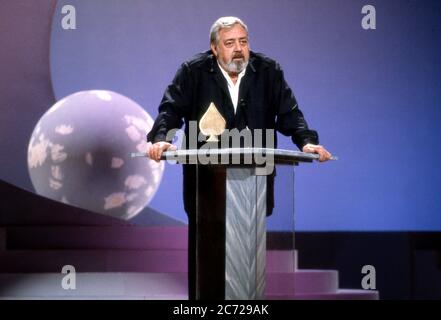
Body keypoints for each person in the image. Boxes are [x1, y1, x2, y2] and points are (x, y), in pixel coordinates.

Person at [147, 16, 332, 299]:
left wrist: (306, 142)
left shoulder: (268, 71)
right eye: (230, 43)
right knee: (208, 256)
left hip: (255, 186)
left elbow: (289, 114)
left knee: (248, 256)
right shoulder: (193, 71)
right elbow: (171, 110)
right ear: (214, 48)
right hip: (206, 186)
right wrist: (162, 138)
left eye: (243, 42)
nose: (238, 49)